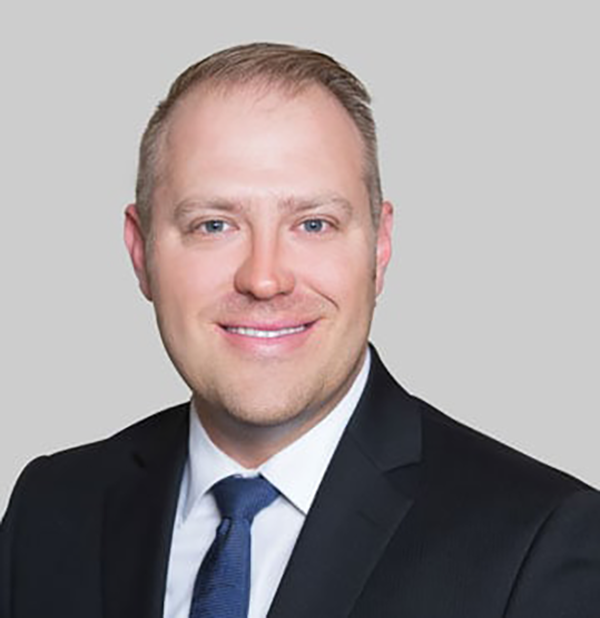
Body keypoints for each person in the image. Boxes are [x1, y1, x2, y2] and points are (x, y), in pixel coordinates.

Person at [1, 42, 599, 618]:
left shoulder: (542, 543)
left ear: (380, 246)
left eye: (313, 224)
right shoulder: (50, 509)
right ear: (141, 252)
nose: (264, 279)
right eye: (214, 225)